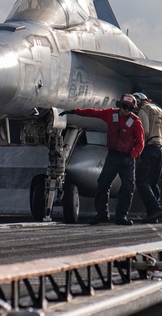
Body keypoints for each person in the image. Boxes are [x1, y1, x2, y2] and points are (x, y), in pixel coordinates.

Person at [59, 94, 144, 226]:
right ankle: (102, 214)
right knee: (103, 184)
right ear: (119, 105)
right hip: (112, 157)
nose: (125, 110)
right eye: (123, 106)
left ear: (132, 109)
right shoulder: (111, 114)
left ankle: (121, 216)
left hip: (127, 159)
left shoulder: (135, 122)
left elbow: (140, 143)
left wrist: (132, 156)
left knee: (128, 187)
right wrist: (74, 111)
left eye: (129, 108)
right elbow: (93, 113)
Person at [134, 92, 162, 223]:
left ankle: (155, 209)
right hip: (160, 149)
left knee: (142, 181)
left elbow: (145, 132)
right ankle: (153, 214)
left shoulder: (143, 110)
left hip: (149, 148)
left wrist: (137, 149)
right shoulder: (159, 110)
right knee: (153, 182)